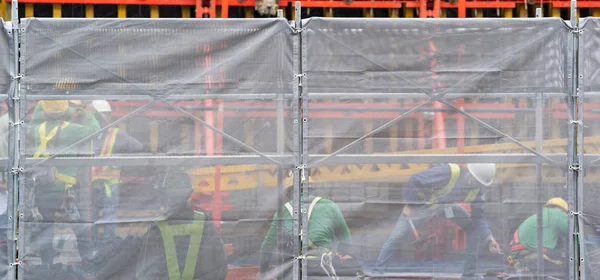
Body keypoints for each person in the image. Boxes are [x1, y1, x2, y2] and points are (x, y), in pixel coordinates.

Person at [373, 163, 501, 279]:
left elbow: (478, 217)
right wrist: (411, 204)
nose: (472, 182)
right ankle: (377, 273)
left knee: (473, 228)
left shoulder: (478, 188)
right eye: (472, 178)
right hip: (422, 206)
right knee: (397, 236)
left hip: (445, 207)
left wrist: (489, 237)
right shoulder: (448, 172)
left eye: (477, 182)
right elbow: (415, 179)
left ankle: (469, 275)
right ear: (468, 170)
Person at [29, 99, 100, 265]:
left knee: (46, 227)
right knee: (79, 227)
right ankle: (88, 261)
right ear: (65, 110)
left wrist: (44, 104)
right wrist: (88, 112)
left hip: (43, 187)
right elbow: (95, 130)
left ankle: (47, 265)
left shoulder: (37, 129)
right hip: (65, 190)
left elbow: (36, 117)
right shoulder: (72, 130)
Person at [258, 171, 357, 280]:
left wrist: (263, 272)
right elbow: (346, 239)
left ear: (289, 192)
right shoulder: (330, 205)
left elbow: (267, 246)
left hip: (292, 271)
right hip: (321, 269)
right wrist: (340, 254)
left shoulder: (283, 211)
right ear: (311, 189)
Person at [135, 169, 228, 280]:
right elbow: (219, 268)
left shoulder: (157, 228)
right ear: (189, 193)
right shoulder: (204, 223)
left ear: (165, 196)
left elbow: (146, 274)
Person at [90, 100, 144, 240]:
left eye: (107, 115)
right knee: (91, 218)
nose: (105, 118)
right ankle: (94, 248)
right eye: (103, 115)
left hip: (109, 185)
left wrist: (120, 160)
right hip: (90, 185)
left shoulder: (116, 134)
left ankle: (107, 246)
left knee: (107, 218)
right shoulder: (85, 133)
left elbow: (138, 148)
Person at [504, 197, 568, 278]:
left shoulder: (538, 215)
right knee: (565, 269)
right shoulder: (560, 215)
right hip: (534, 256)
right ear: (563, 210)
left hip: (517, 257)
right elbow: (575, 236)